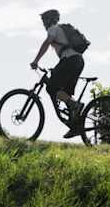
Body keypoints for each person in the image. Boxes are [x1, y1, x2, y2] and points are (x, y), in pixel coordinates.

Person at [30, 9, 85, 138]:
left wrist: (36, 60)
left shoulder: (53, 28)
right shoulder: (60, 30)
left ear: (49, 20)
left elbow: (46, 43)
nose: (43, 24)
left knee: (51, 88)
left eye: (44, 21)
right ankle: (74, 126)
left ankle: (76, 105)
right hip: (78, 61)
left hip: (70, 61)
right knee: (66, 95)